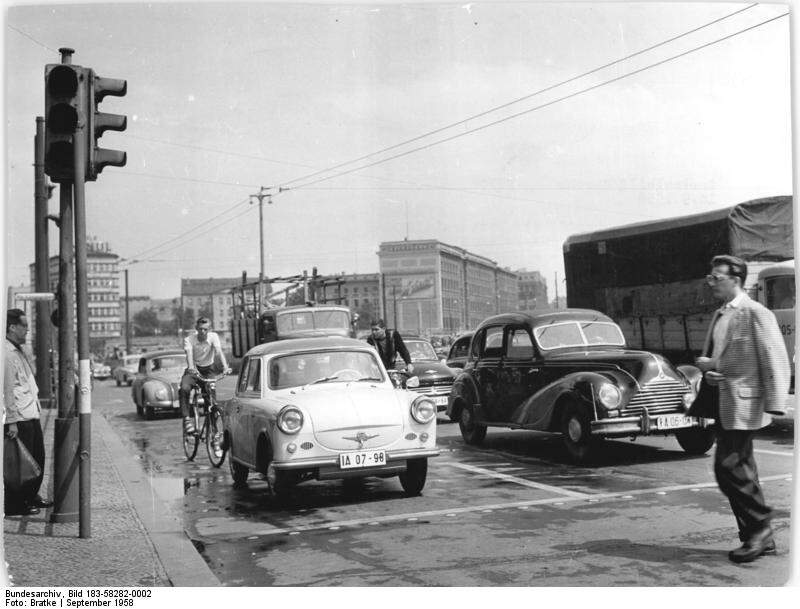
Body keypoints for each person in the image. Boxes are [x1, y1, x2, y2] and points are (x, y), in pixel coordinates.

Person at [695, 255, 790, 563]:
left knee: (728, 467)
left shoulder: (755, 313)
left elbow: (774, 357)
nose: (710, 283)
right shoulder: (721, 314)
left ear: (735, 280)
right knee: (742, 470)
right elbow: (723, 355)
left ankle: (761, 523)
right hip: (723, 399)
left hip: (744, 403)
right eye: (709, 277)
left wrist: (775, 403)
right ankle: (759, 538)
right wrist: (711, 370)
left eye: (715, 278)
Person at [4, 309, 52, 516]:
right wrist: (12, 421)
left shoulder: (17, 350)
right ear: (12, 327)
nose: (28, 330)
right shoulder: (6, 353)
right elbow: (6, 390)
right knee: (21, 464)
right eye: (24, 326)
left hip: (30, 414)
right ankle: (16, 504)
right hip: (20, 418)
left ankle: (30, 496)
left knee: (36, 460)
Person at [179, 317, 231, 434]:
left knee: (211, 400)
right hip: (194, 369)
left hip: (209, 369)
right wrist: (191, 367)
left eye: (205, 329)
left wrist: (225, 367)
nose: (203, 332)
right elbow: (189, 354)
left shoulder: (214, 337)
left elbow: (218, 352)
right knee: (184, 388)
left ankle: (213, 430)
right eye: (200, 329)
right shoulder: (189, 339)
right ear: (196, 328)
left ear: (209, 330)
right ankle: (187, 419)